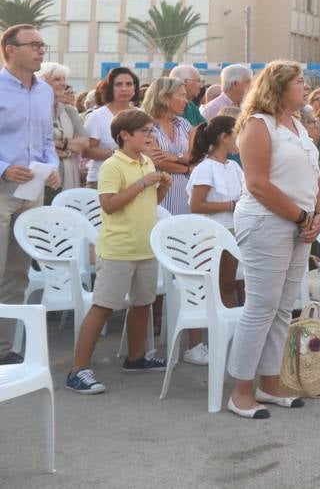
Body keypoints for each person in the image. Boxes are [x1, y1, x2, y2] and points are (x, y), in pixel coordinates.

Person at [227, 61, 320, 420]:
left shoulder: (298, 126)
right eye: (299, 82)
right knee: (261, 305)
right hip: (267, 221)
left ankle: (270, 382)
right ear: (279, 87)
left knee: (284, 306)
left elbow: (314, 176)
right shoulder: (258, 125)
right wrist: (301, 217)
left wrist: (319, 215)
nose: (305, 87)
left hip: (299, 225)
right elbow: (257, 184)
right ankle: (240, 391)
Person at [65, 108, 171, 394]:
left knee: (142, 304)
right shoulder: (113, 165)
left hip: (144, 247)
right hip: (118, 249)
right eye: (146, 132)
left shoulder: (147, 161)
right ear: (125, 135)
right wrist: (141, 184)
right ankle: (78, 369)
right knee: (103, 306)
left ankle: (136, 358)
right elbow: (109, 204)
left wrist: (160, 187)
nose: (151, 136)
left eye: (152, 130)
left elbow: (149, 202)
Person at [0, 24, 60, 365]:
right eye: (33, 45)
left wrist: (50, 165)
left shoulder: (44, 92)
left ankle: (3, 349)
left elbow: (47, 142)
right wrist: (4, 167)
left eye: (42, 45)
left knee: (17, 273)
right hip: (1, 190)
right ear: (10, 49)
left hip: (32, 192)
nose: (40, 51)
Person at [188, 115, 245, 307]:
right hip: (213, 234)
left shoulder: (234, 166)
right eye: (237, 133)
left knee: (230, 283)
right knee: (221, 284)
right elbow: (196, 205)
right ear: (224, 137)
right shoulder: (205, 168)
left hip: (233, 231)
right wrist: (230, 205)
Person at [143, 77, 194, 215]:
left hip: (184, 194)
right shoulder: (146, 124)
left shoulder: (184, 124)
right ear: (165, 97)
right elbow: (158, 161)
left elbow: (195, 155)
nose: (186, 100)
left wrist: (174, 156)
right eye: (182, 95)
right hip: (159, 193)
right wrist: (187, 168)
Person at [82, 67, 140, 188]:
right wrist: (118, 153)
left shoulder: (141, 115)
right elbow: (86, 151)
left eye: (129, 84)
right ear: (110, 88)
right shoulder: (97, 116)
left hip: (136, 180)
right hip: (103, 180)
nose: (124, 88)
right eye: (119, 84)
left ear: (134, 88)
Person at [39, 62, 91, 195]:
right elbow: (34, 142)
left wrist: (61, 144)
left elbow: (85, 143)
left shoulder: (69, 111)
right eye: (57, 79)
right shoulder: (34, 108)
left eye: (64, 79)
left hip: (67, 176)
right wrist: (70, 146)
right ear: (42, 81)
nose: (63, 83)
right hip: (42, 178)